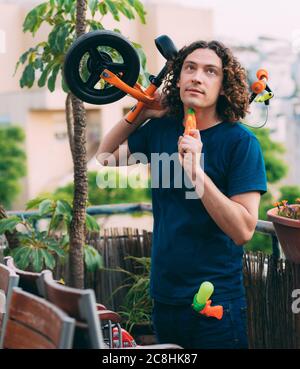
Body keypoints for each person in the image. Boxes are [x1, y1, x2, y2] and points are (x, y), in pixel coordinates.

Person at [97, 40, 267, 349]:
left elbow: (243, 230)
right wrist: (143, 112)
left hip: (215, 303)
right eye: (190, 67)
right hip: (164, 298)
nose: (197, 77)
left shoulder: (241, 143)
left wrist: (196, 173)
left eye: (210, 71)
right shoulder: (163, 130)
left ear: (224, 86)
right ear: (179, 77)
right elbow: (105, 157)